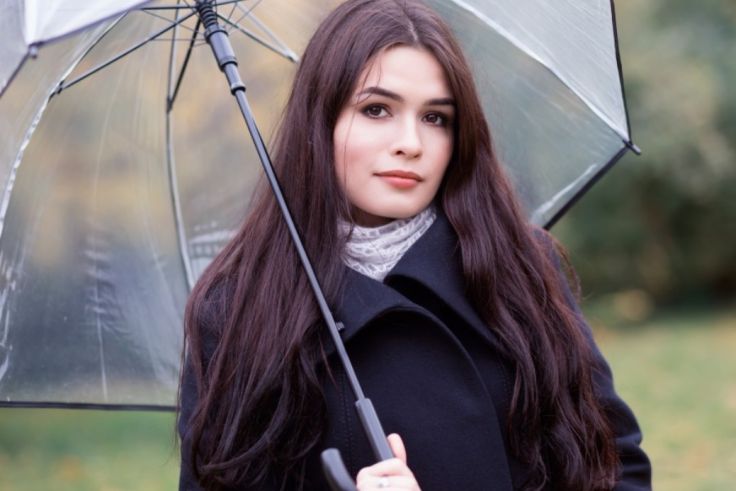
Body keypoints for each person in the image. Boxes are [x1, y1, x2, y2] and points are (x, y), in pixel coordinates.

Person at [178, 0, 652, 490]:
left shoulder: (522, 269)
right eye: (376, 109)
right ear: (320, 124)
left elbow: (615, 469)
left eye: (436, 118)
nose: (411, 142)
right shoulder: (238, 308)